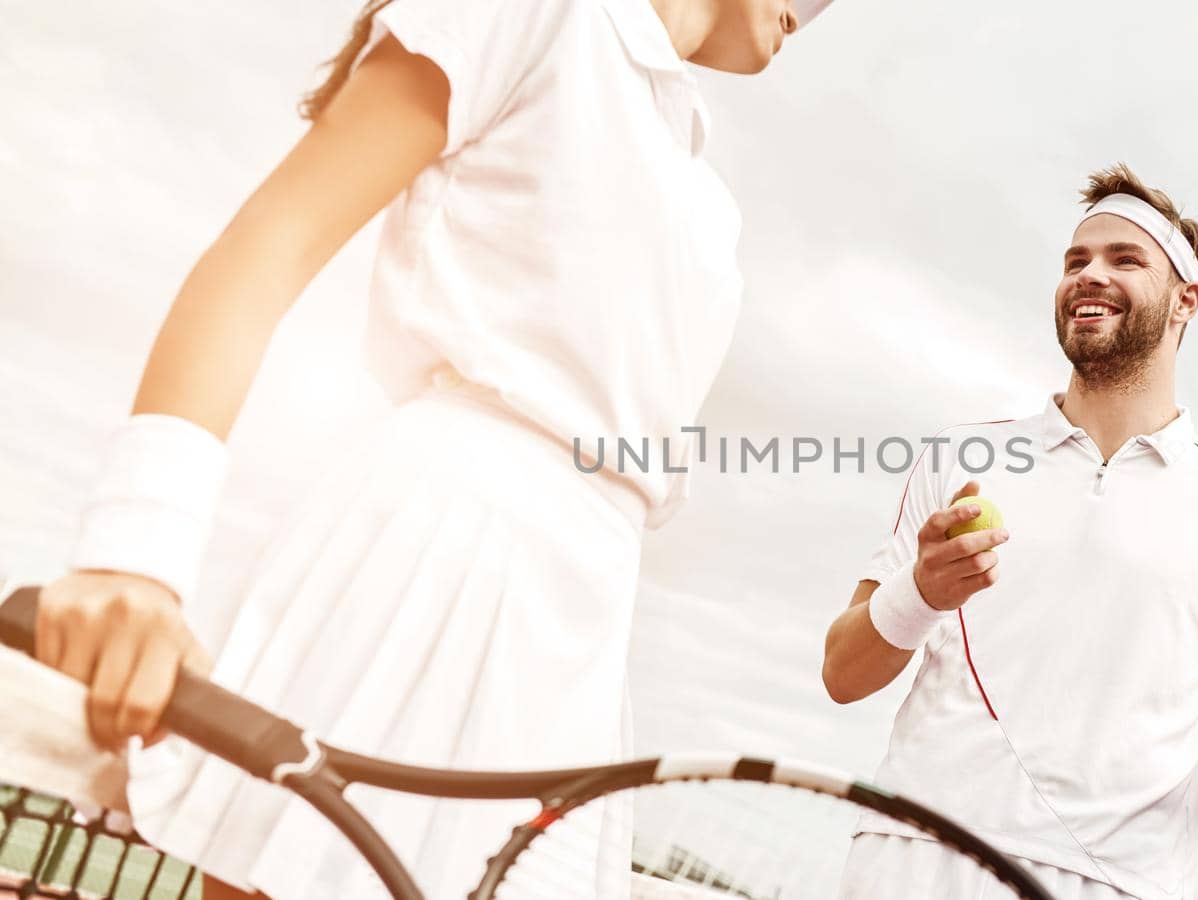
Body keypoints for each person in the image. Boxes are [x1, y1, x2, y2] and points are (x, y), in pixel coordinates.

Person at [33, 0, 834, 897]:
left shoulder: (701, 189)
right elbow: (270, 245)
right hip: (445, 554)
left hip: (585, 610)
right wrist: (135, 557)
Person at [821, 164, 1198, 899]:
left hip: (1119, 884)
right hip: (913, 853)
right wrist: (920, 590)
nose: (1090, 275)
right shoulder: (963, 458)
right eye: (1075, 261)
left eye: (1125, 259)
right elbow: (843, 673)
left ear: (1187, 302)